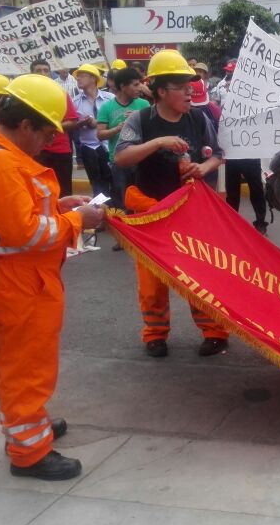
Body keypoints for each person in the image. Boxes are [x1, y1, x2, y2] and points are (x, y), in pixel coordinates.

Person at [0, 75, 102, 480]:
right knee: (27, 366)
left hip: (21, 276)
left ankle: (29, 426)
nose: (50, 141)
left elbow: (16, 214)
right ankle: (29, 452)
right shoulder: (1, 162)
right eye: (46, 132)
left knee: (21, 361)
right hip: (22, 279)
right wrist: (77, 219)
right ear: (25, 124)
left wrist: (60, 205)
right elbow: (26, 234)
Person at [114, 49, 229, 359]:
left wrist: (203, 169)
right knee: (151, 282)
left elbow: (218, 153)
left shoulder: (198, 118)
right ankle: (155, 334)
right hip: (150, 212)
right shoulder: (141, 120)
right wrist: (157, 143)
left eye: (190, 83)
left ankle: (214, 332)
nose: (190, 89)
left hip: (190, 213)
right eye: (181, 85)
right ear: (161, 91)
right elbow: (121, 157)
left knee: (200, 275)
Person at [96, 66, 149, 225]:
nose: (139, 88)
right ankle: (125, 234)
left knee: (143, 198)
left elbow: (152, 131)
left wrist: (137, 121)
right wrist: (119, 128)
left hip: (142, 159)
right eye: (135, 84)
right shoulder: (107, 107)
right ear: (122, 86)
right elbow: (100, 134)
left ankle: (144, 229)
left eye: (140, 83)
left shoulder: (144, 104)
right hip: (119, 161)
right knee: (122, 198)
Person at [30, 60, 80, 197]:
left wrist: (47, 128)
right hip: (34, 151)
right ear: (31, 74)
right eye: (38, 70)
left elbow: (72, 122)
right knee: (37, 192)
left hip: (60, 150)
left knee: (63, 191)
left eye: (46, 70)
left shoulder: (61, 94)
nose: (43, 73)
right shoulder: (25, 96)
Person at [72, 63, 114, 200]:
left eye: (82, 76)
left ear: (93, 78)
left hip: (109, 146)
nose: (78, 79)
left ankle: (114, 213)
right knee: (96, 184)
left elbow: (117, 120)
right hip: (88, 148)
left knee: (112, 181)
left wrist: (99, 123)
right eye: (77, 76)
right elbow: (71, 125)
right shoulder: (75, 102)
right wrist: (81, 123)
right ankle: (101, 213)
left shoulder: (110, 98)